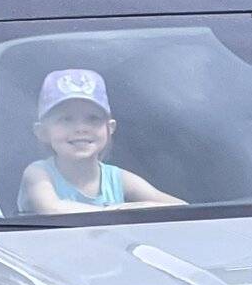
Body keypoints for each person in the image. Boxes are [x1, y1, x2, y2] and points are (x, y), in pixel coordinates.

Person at [18, 69, 184, 215]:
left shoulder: (116, 179)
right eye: (66, 119)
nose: (81, 128)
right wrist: (118, 211)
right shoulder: (38, 173)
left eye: (93, 119)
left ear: (109, 128)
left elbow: (179, 207)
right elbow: (51, 209)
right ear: (42, 132)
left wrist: (142, 206)